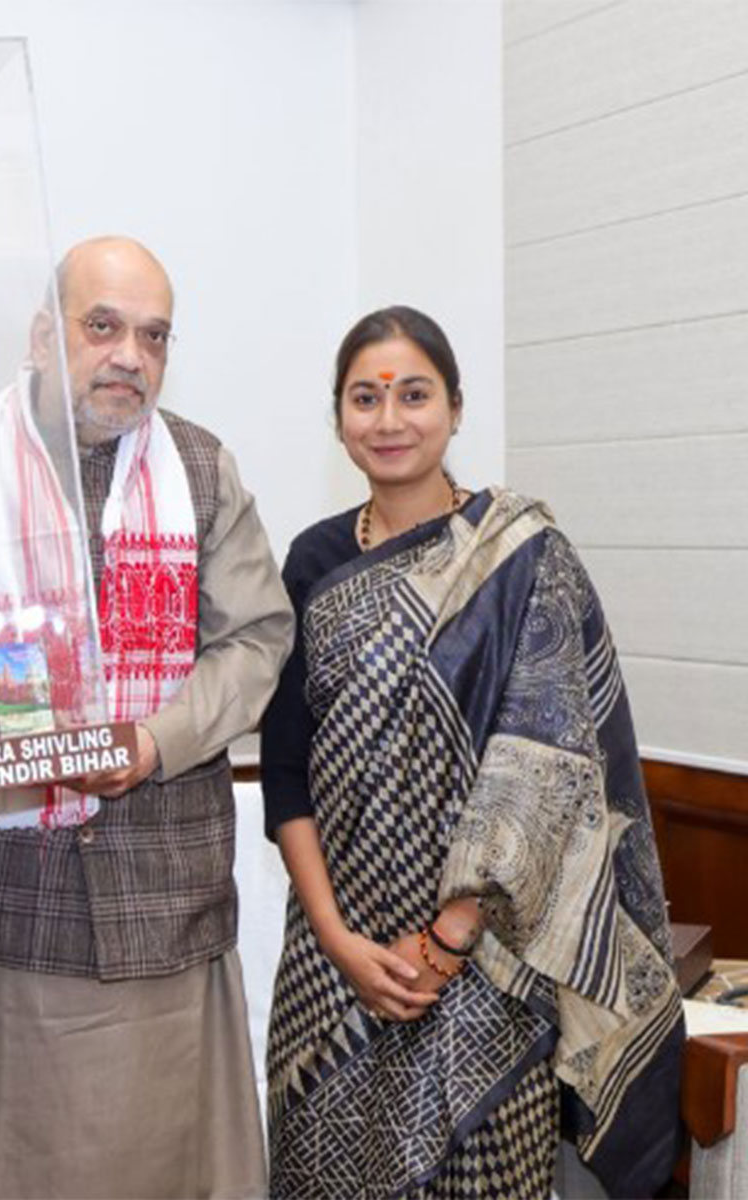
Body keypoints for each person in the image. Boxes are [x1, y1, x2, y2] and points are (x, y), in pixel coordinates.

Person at [260, 306, 684, 1198]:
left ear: (454, 407)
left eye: (413, 395)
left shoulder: (525, 560)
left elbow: (549, 778)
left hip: (487, 963)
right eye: (365, 398)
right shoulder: (314, 561)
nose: (389, 419)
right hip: (333, 965)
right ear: (338, 416)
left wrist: (448, 938)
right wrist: (339, 941)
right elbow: (287, 772)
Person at [0, 236, 293, 1199]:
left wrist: (154, 741)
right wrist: (4, 729)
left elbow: (257, 640)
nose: (130, 356)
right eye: (103, 326)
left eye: (154, 337)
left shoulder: (199, 469)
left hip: (158, 905)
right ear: (45, 335)